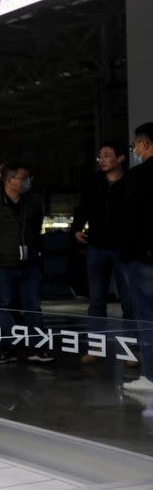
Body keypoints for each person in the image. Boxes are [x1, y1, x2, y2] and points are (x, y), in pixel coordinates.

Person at [0, 161, 52, 365]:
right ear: (10, 180)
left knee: (33, 306)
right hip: (1, 265)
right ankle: (8, 349)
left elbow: (36, 230)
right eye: (23, 178)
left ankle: (37, 347)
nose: (27, 182)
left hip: (30, 264)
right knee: (4, 307)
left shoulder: (33, 203)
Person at [72, 141, 132, 364]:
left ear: (121, 158)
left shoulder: (130, 183)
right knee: (96, 301)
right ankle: (95, 348)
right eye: (100, 156)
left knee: (128, 302)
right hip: (96, 247)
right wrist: (77, 228)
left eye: (107, 155)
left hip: (123, 249)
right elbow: (83, 208)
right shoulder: (94, 183)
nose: (102, 159)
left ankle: (130, 350)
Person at [122, 123, 153, 392]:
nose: (134, 150)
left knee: (146, 317)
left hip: (144, 257)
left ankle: (151, 377)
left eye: (135, 146)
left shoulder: (138, 176)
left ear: (146, 145)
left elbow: (130, 220)